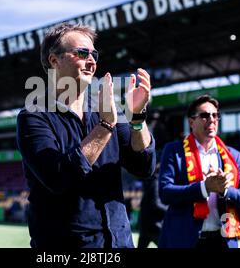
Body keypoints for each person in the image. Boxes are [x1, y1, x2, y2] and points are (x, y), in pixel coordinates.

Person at [16, 23, 156, 248]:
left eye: (94, 54)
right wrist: (105, 125)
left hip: (119, 243)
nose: (92, 61)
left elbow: (144, 166)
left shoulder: (107, 109)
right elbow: (58, 177)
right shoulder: (33, 116)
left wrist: (138, 118)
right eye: (82, 53)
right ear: (54, 61)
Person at [158, 95, 240, 248]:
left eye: (215, 115)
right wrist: (204, 188)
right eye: (204, 115)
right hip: (185, 240)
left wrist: (225, 191)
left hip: (223, 241)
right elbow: (165, 192)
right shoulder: (173, 151)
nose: (212, 119)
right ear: (191, 122)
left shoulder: (233, 155)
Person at [137, 163, 168, 248]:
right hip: (154, 226)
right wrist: (169, 209)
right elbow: (156, 203)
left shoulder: (151, 181)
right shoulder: (156, 182)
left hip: (146, 225)